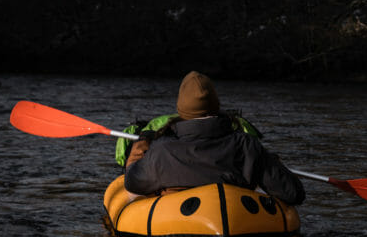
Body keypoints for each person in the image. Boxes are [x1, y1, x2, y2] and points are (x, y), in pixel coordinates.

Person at [124, 70, 305, 205]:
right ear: (216, 106)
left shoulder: (161, 150)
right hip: (239, 228)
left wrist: (141, 144)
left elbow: (133, 182)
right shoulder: (246, 145)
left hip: (178, 233)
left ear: (181, 109)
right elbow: (293, 194)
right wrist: (269, 160)